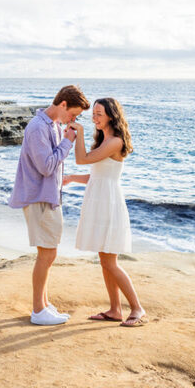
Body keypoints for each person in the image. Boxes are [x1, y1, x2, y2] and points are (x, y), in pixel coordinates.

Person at [9, 85, 90, 325]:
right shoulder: (37, 128)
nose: (73, 120)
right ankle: (38, 310)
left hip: (48, 197)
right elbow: (46, 166)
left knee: (49, 252)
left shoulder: (51, 126)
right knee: (47, 253)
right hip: (39, 198)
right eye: (73, 114)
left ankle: (43, 305)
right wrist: (68, 142)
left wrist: (64, 140)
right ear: (63, 104)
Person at [65, 98, 147, 327]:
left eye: (99, 114)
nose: (95, 118)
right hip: (100, 199)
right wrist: (71, 178)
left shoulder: (115, 142)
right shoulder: (105, 142)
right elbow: (97, 176)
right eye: (93, 114)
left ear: (111, 115)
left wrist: (78, 132)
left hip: (108, 203)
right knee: (104, 260)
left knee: (110, 261)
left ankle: (137, 308)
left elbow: (81, 160)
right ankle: (114, 309)